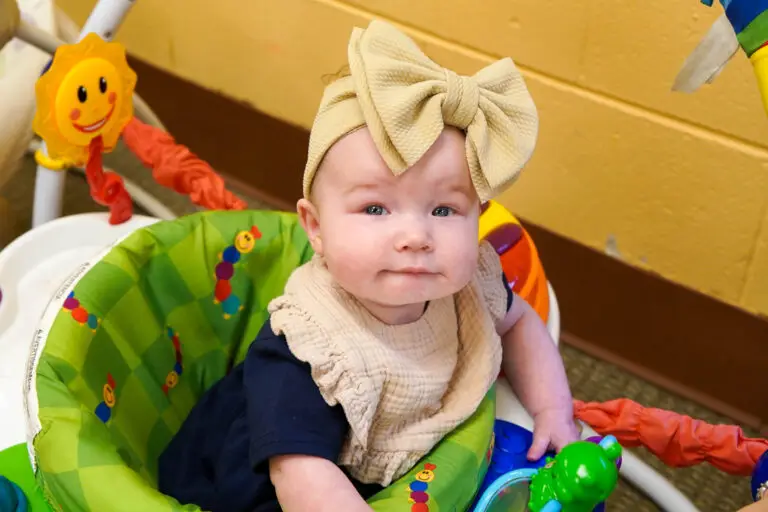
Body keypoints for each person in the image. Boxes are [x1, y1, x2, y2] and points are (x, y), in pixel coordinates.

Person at [157, 19, 580, 512]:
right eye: (376, 209)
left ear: (477, 218)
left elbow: (521, 322)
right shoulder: (308, 351)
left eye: (444, 210)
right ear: (316, 227)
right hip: (269, 487)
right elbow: (300, 475)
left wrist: (553, 410)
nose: (416, 237)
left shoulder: (469, 287)